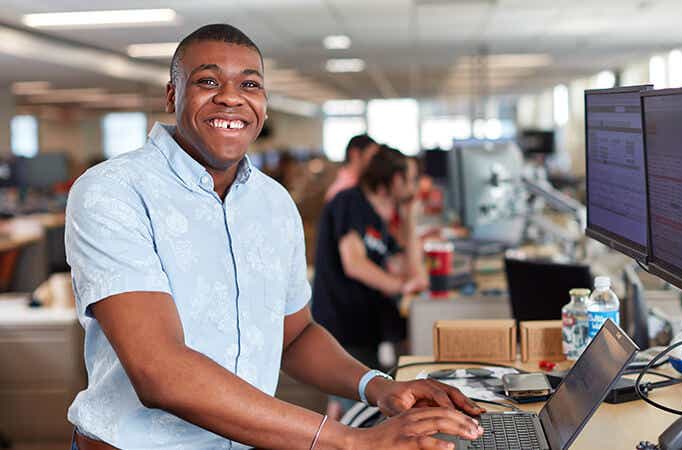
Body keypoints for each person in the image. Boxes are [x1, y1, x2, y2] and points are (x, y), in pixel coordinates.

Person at [65, 24, 483, 450]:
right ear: (172, 95)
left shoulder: (273, 203)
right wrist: (350, 441)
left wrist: (378, 387)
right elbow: (160, 371)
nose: (231, 97)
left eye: (250, 84)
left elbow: (295, 336)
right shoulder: (113, 190)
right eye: (208, 81)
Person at [311, 146, 429, 378]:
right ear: (396, 179)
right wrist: (400, 286)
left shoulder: (378, 217)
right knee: (365, 400)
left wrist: (410, 220)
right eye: (413, 179)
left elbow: (413, 273)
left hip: (364, 327)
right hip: (342, 328)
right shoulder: (349, 202)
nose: (416, 187)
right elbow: (354, 263)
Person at [324, 134, 379, 202]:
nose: (377, 162)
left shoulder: (362, 184)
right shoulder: (342, 190)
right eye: (373, 157)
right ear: (355, 154)